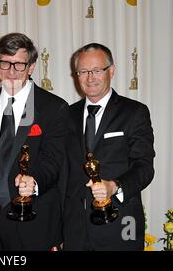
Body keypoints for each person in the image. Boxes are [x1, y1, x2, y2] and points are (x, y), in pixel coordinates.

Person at [0, 33, 69, 250]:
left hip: (32, 215)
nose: (12, 72)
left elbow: (54, 161)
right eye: (5, 63)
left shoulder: (54, 107)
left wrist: (35, 183)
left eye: (19, 65)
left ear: (31, 67)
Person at [63, 43, 155, 250]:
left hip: (121, 226)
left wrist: (114, 186)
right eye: (83, 71)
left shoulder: (134, 112)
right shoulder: (67, 115)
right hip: (75, 230)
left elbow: (144, 166)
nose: (90, 78)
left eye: (96, 70)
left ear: (111, 71)